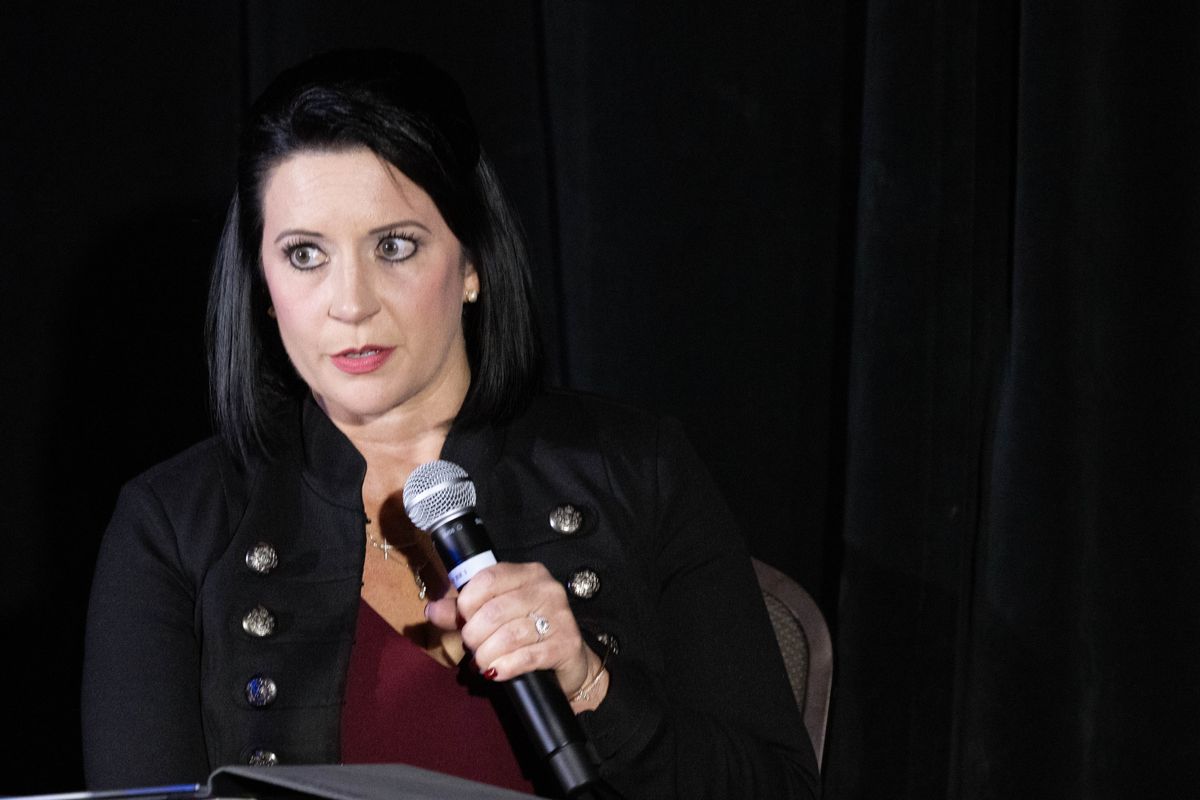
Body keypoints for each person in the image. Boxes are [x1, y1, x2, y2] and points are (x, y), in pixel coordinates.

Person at [81, 49, 819, 799]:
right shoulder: (172, 524)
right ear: (264, 290)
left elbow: (782, 789)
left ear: (472, 263)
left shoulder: (637, 467)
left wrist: (592, 684)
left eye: (394, 246)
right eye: (305, 254)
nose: (351, 302)